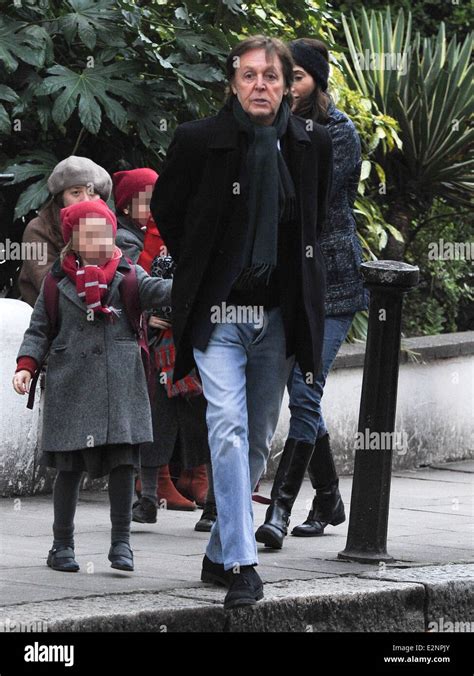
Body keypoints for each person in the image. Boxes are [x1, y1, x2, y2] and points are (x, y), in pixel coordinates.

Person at [151, 35, 333, 609]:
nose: (261, 86)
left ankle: (218, 549)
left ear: (287, 85)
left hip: (278, 313)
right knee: (225, 425)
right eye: (249, 75)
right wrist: (204, 267)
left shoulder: (310, 144)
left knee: (254, 436)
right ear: (232, 82)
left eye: (272, 77)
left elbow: (313, 222)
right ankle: (241, 564)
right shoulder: (199, 141)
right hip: (221, 312)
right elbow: (167, 211)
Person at [12, 199, 172, 574]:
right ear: (72, 239)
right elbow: (39, 331)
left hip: (120, 388)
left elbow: (161, 293)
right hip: (71, 388)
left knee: (122, 464)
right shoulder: (55, 280)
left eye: (105, 232)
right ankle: (61, 545)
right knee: (68, 469)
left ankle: (121, 544)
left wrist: (197, 281)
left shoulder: (129, 276)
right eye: (90, 234)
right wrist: (26, 367)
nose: (100, 240)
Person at [255, 38, 368, 549]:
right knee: (300, 393)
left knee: (305, 390)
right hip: (285, 282)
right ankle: (328, 498)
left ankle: (278, 511)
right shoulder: (269, 128)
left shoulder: (338, 135)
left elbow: (303, 196)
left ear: (316, 82)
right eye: (285, 77)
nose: (287, 87)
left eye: (296, 77)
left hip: (332, 281)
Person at [19, 156, 112, 306]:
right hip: (51, 320)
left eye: (92, 193)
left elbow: (124, 279)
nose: (85, 200)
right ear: (60, 198)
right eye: (76, 193)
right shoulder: (38, 229)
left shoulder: (107, 226)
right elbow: (48, 287)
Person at [112, 168, 158, 264]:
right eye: (147, 202)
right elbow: (143, 275)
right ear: (126, 208)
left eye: (158, 200)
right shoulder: (123, 239)